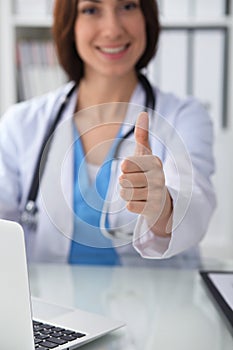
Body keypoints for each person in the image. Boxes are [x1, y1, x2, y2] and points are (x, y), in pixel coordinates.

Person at [0, 0, 216, 266]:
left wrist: (162, 206)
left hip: (160, 304)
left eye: (128, 6)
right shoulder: (22, 124)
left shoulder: (184, 117)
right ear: (70, 25)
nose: (112, 29)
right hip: (47, 305)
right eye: (91, 10)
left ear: (147, 17)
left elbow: (195, 204)